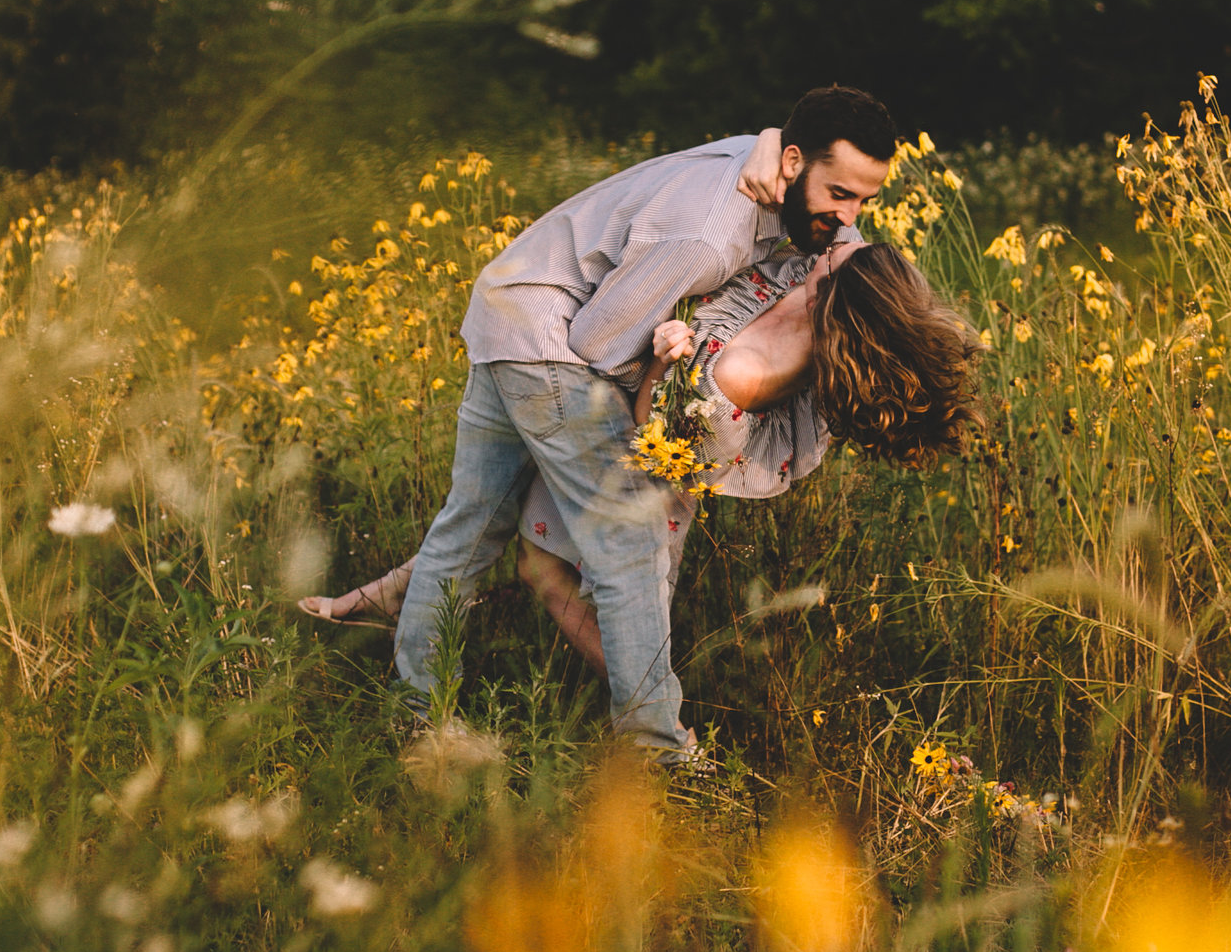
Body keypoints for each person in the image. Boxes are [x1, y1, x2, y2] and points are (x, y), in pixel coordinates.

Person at [348, 87, 901, 760]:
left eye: (862, 201)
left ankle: (416, 714)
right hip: (550, 339)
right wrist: (677, 366)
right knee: (630, 541)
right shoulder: (707, 237)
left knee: (473, 523)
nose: (848, 218)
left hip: (506, 304)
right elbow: (598, 341)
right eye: (840, 194)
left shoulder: (770, 170)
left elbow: (846, 248)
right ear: (791, 164)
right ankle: (659, 751)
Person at [305, 237, 984, 705]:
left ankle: (662, 714)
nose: (838, 238)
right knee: (503, 512)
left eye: (843, 252)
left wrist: (666, 351)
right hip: (601, 406)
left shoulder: (744, 379)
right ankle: (393, 595)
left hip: (641, 470)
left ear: (834, 291)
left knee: (549, 573)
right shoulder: (802, 284)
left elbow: (652, 420)